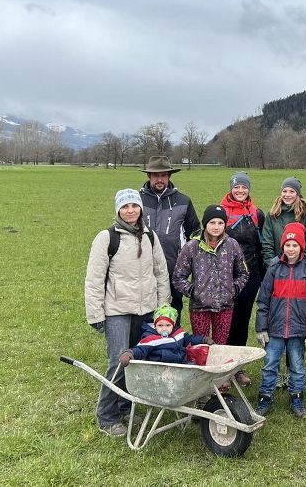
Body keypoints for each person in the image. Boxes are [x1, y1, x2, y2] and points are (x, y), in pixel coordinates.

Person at [84, 188, 170, 436]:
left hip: (145, 310)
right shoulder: (107, 238)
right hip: (117, 310)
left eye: (134, 206)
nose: (130, 211)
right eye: (125, 207)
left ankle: (126, 404)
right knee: (119, 361)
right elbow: (94, 279)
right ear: (118, 210)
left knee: (138, 361)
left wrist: (162, 308)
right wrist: (96, 314)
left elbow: (160, 273)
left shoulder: (150, 236)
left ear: (141, 208)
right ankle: (107, 416)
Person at [255, 222, 306, 419]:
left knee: (297, 365)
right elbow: (263, 299)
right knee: (270, 363)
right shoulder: (274, 268)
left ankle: (297, 398)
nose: (291, 249)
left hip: (298, 329)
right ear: (282, 246)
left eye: (295, 245)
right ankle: (265, 397)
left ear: (301, 247)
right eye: (287, 245)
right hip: (275, 328)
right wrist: (261, 327)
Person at [172, 204, 249, 346]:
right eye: (212, 222)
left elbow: (243, 272)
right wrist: (194, 291)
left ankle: (219, 368)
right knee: (201, 345)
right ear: (205, 224)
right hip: (200, 307)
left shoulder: (232, 245)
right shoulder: (192, 246)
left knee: (220, 346)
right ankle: (201, 368)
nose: (216, 227)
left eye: (220, 223)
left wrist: (234, 289)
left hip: (225, 306)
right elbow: (178, 276)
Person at [139, 156, 201, 328]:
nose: (159, 179)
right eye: (155, 175)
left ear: (169, 177)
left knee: (172, 313)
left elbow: (195, 235)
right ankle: (143, 350)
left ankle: (171, 349)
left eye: (164, 175)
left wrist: (187, 264)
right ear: (149, 176)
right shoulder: (137, 201)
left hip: (174, 269)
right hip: (142, 270)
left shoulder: (183, 201)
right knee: (144, 313)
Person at [220, 172, 265, 386]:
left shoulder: (256, 213)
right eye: (236, 187)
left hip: (249, 276)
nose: (240, 191)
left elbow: (260, 247)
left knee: (241, 321)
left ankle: (237, 369)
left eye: (244, 188)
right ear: (231, 188)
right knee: (223, 321)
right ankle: (222, 369)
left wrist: (263, 275)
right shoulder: (220, 212)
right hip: (224, 276)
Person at [118, 305, 213, 366]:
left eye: (168, 325)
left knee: (195, 368)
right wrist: (129, 353)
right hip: (160, 366)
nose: (164, 328)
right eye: (160, 325)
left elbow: (189, 339)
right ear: (155, 326)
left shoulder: (178, 334)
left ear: (173, 325)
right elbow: (140, 349)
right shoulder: (151, 339)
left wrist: (204, 339)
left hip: (180, 364)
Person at [261, 176, 306, 263]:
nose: (287, 195)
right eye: (284, 191)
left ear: (297, 194)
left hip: (300, 268)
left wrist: (302, 266)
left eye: (292, 191)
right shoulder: (272, 215)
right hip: (277, 266)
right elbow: (267, 244)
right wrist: (272, 265)